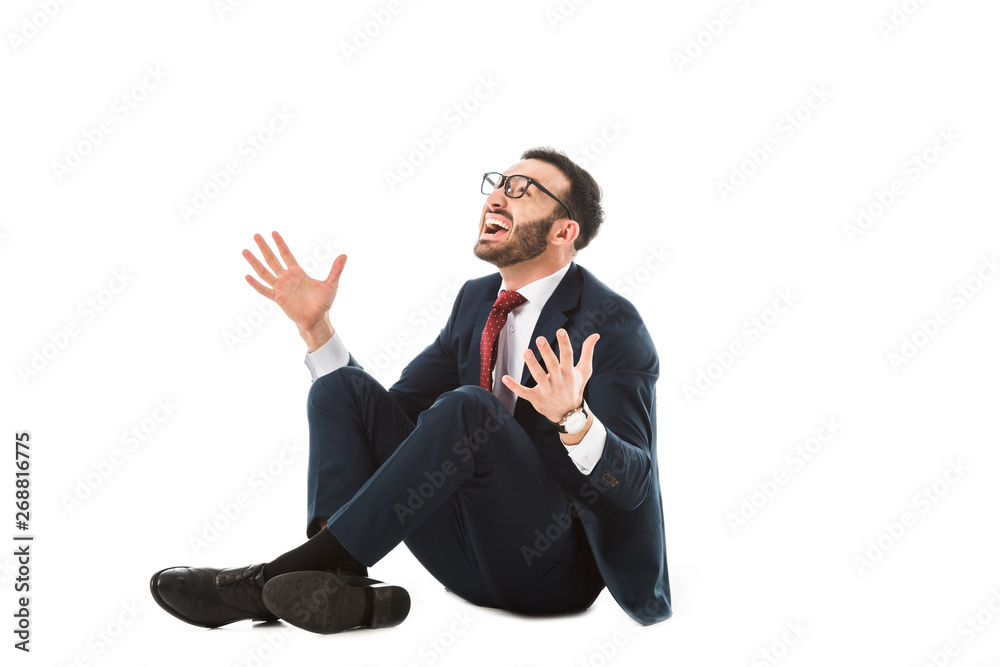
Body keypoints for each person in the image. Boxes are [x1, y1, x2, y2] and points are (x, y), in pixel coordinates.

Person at [149, 147, 672, 634]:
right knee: (341, 389)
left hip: (551, 575)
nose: (496, 196)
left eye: (523, 190)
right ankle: (340, 585)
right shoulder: (476, 302)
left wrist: (575, 420)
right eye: (499, 184)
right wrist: (317, 330)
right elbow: (398, 425)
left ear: (564, 231)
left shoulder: (612, 324)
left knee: (471, 408)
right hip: (466, 563)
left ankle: (267, 582)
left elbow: (634, 486)